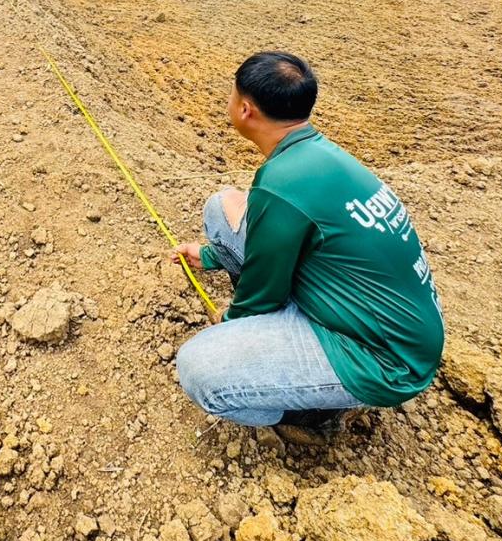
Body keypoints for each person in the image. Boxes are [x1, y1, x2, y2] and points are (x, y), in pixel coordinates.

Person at [171, 51, 445, 430]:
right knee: (224, 206)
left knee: (199, 369)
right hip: (381, 316)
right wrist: (212, 256)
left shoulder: (283, 184)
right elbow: (276, 243)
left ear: (246, 110)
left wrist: (230, 324)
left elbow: (258, 298)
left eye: (231, 96)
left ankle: (307, 413)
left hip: (382, 358)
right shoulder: (318, 155)